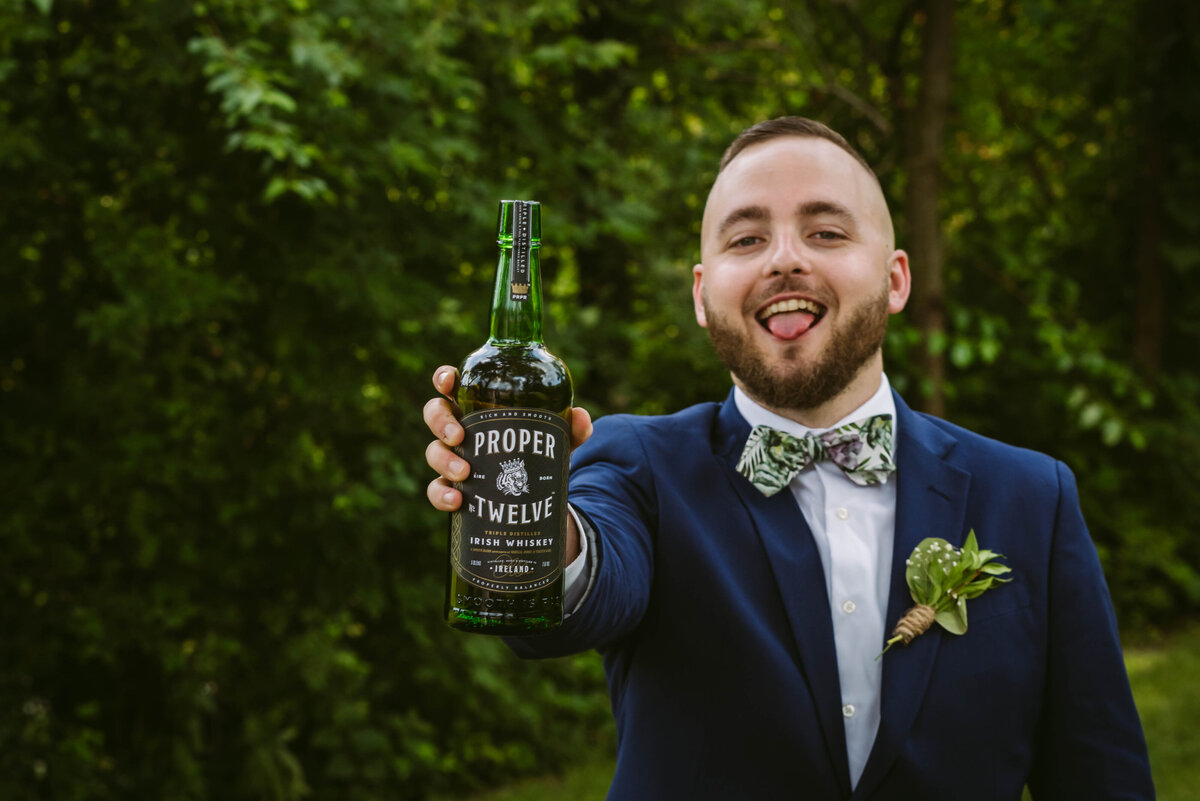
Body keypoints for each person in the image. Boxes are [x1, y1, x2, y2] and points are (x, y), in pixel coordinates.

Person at [423, 117, 1154, 800]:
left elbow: (1101, 773)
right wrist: (528, 518)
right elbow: (581, 593)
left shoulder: (1033, 496)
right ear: (704, 296)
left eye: (827, 231)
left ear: (896, 278)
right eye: (746, 240)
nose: (785, 260)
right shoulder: (638, 462)